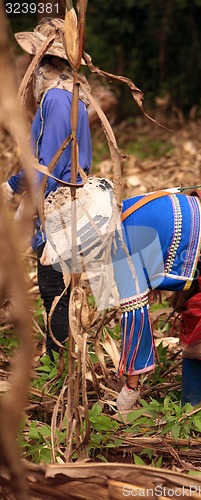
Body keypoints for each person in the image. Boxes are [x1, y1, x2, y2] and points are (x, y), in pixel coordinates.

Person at [41, 180, 201, 441]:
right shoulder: (125, 211)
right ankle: (193, 410)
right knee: (198, 325)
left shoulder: (121, 247)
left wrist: (130, 388)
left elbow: (136, 322)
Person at [2, 18, 92, 357]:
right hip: (65, 203)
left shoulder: (56, 98)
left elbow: (49, 163)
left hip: (57, 209)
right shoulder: (73, 94)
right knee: (60, 286)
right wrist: (13, 185)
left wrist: (27, 212)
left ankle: (61, 365)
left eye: (32, 60)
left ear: (42, 62)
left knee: (54, 288)